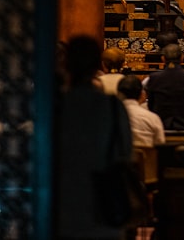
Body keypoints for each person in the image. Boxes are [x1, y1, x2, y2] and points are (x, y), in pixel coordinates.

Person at [56, 35, 133, 240]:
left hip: (60, 201)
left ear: (66, 64)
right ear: (98, 65)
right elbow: (125, 151)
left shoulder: (53, 106)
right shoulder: (112, 106)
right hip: (103, 201)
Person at [145, 43, 184, 130]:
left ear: (163, 58)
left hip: (161, 125)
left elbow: (151, 105)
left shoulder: (155, 78)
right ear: (182, 58)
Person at [116, 74, 166, 148]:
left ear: (118, 94)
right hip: (146, 158)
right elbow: (160, 144)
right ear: (142, 94)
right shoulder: (152, 118)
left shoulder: (109, 117)